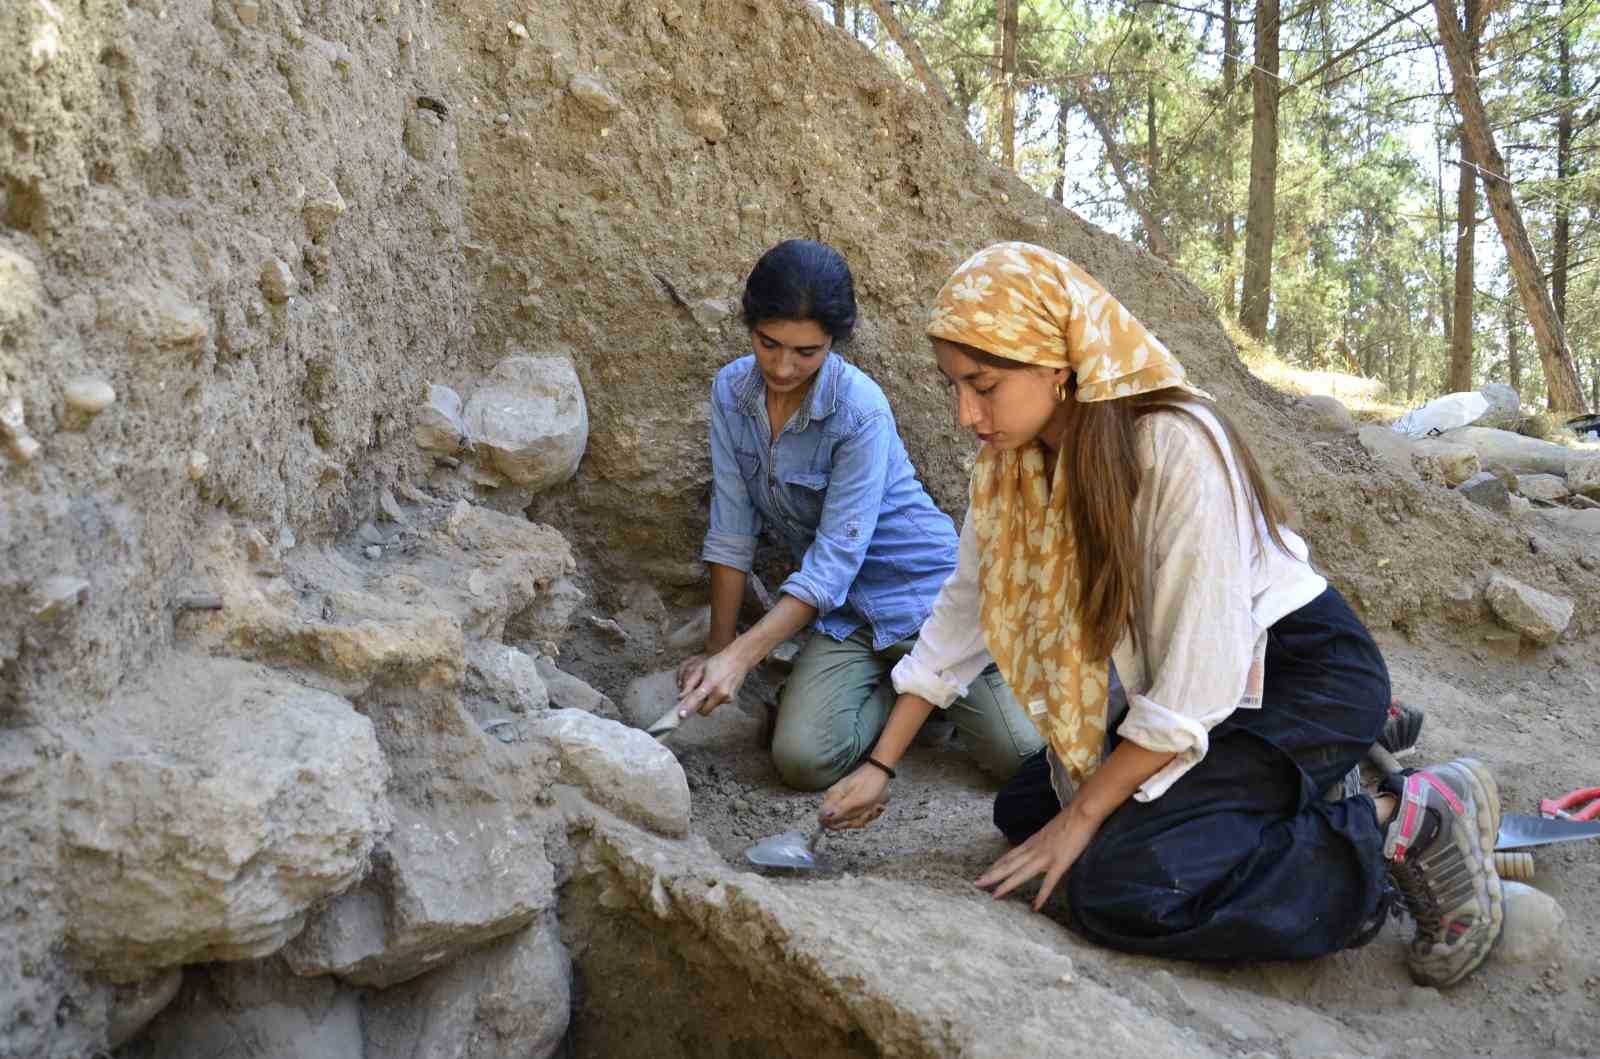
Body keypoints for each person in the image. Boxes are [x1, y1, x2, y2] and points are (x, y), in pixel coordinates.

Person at [818, 241, 1505, 988]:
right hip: (1204, 685)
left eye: (983, 385)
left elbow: (1196, 680)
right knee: (1026, 807)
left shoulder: (1173, 444)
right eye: (956, 386)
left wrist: (1082, 821)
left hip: (1296, 674)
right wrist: (881, 762)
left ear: (1056, 364)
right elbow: (963, 610)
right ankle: (1307, 782)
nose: (965, 414)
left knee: (1120, 885)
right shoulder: (1013, 463)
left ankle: (1404, 818)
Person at [676, 239, 1045, 794]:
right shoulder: (732, 391)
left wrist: (741, 660)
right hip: (847, 615)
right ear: (749, 326)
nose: (782, 366)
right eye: (768, 343)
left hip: (927, 600)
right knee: (802, 760)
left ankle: (985, 662)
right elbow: (731, 531)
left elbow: (831, 563)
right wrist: (717, 652)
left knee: (1018, 756)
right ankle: (908, 696)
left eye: (806, 352)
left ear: (834, 342)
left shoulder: (858, 410)